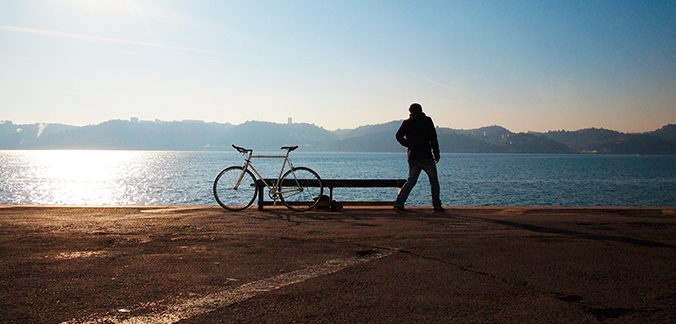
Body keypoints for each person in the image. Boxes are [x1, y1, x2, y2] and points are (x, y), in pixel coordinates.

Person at [394, 103, 444, 212]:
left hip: (413, 156)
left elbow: (398, 136)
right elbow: (433, 138)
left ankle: (399, 202)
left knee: (411, 180)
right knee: (433, 181)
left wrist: (408, 144)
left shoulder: (407, 123)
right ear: (421, 110)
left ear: (410, 111)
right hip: (426, 155)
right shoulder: (427, 121)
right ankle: (436, 205)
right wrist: (436, 154)